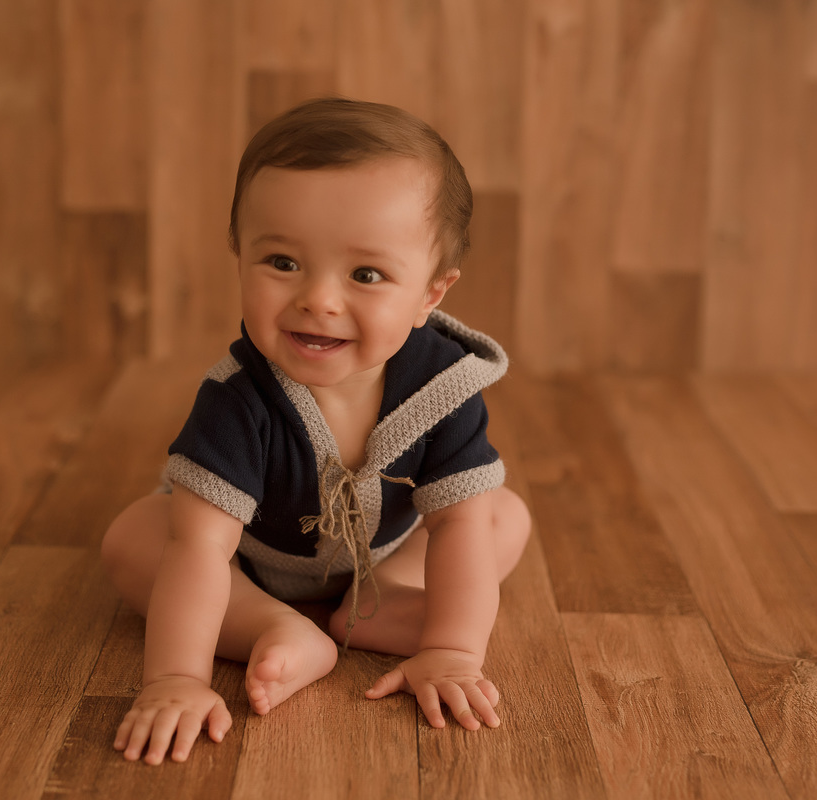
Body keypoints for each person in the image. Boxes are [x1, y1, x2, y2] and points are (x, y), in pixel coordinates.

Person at [101, 97, 532, 765]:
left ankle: (384, 608)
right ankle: (276, 628)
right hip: (250, 565)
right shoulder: (238, 401)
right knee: (138, 537)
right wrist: (176, 681)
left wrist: (451, 652)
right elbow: (199, 551)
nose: (318, 299)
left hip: (385, 555)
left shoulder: (443, 388)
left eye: (365, 275)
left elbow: (459, 528)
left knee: (497, 515)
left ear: (430, 295)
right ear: (239, 254)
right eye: (282, 263)